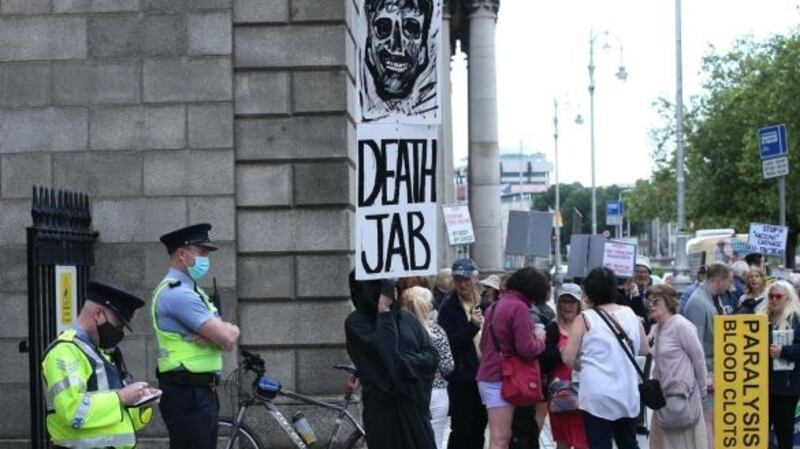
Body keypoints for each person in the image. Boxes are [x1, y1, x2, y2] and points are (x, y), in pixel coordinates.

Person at [152, 224, 241, 449]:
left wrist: (225, 331)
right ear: (183, 254)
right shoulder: (178, 294)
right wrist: (223, 333)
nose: (205, 259)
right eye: (201, 253)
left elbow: (227, 334)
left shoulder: (194, 291)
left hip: (199, 392)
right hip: (187, 393)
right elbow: (227, 340)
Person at [42, 280, 154, 449]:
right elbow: (72, 412)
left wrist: (141, 403)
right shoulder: (65, 351)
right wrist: (122, 397)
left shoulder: (98, 353)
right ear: (98, 314)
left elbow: (117, 420)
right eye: (118, 324)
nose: (120, 331)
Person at [345, 274, 439, 449]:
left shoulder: (407, 318)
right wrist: (383, 312)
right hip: (384, 414)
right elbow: (387, 360)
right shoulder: (356, 323)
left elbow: (432, 357)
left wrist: (403, 362)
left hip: (414, 406)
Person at [562, 267, 648, 449]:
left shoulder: (584, 319)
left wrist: (580, 364)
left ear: (589, 292)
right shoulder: (630, 314)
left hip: (597, 395)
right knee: (628, 443)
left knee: (599, 444)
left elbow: (568, 358)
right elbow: (643, 349)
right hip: (627, 392)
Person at [477, 268, 547, 449]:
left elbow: (483, 346)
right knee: (500, 439)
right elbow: (527, 348)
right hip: (503, 378)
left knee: (500, 436)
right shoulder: (519, 307)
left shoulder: (493, 307)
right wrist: (540, 340)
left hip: (490, 375)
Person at [646, 285, 707, 449]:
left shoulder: (681, 325)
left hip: (683, 398)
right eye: (648, 301)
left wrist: (702, 391)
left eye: (656, 301)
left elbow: (698, 359)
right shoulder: (658, 328)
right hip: (663, 398)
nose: (650, 305)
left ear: (668, 302)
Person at [437, 257, 488, 449]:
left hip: (485, 376)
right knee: (461, 428)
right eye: (458, 279)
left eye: (466, 279)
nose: (462, 284)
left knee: (479, 426)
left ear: (475, 279)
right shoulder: (448, 308)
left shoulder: (486, 305)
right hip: (462, 378)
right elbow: (447, 344)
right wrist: (471, 328)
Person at [682, 262, 733, 449]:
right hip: (707, 374)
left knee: (711, 423)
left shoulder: (708, 299)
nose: (730, 286)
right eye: (729, 281)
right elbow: (695, 346)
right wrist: (704, 378)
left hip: (712, 371)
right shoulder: (698, 302)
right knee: (707, 424)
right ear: (719, 280)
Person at [402, 286, 454, 449]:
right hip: (437, 392)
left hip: (410, 392)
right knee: (436, 441)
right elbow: (448, 366)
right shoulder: (437, 331)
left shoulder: (401, 331)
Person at [540, 283, 589, 449]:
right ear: (558, 303)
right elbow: (544, 361)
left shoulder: (588, 326)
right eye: (564, 301)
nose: (568, 306)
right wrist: (561, 353)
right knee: (563, 441)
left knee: (584, 440)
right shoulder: (552, 328)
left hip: (585, 392)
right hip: (561, 393)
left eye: (572, 302)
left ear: (579, 304)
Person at [758, 281, 800, 449]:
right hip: (759, 386)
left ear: (787, 299)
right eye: (771, 296)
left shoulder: (796, 318)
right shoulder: (760, 317)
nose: (774, 300)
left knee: (783, 433)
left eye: (778, 296)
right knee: (758, 432)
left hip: (786, 388)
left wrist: (784, 351)